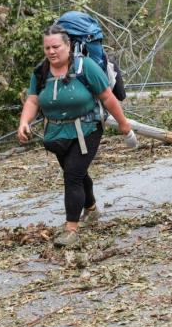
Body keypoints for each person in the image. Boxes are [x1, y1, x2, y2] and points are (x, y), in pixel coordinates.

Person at [18, 24, 135, 247]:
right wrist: (24, 122)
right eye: (47, 48)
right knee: (76, 173)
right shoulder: (41, 71)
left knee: (72, 174)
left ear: (68, 46)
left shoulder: (86, 67)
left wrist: (124, 125)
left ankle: (71, 229)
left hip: (87, 128)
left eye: (56, 47)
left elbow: (107, 97)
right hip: (56, 132)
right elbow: (33, 100)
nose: (51, 52)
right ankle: (90, 209)